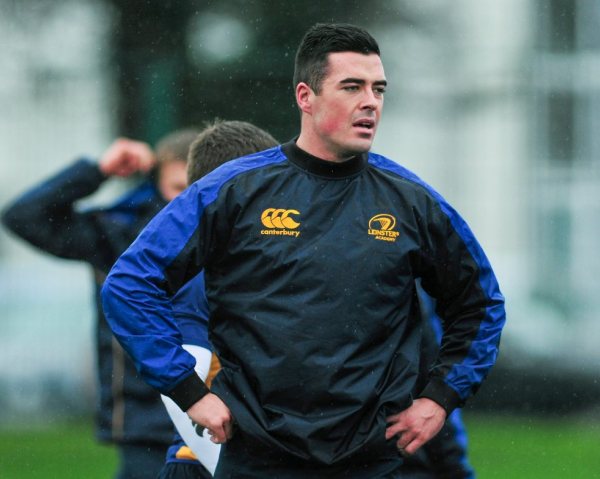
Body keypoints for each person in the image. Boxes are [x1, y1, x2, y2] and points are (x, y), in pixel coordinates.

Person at [101, 23, 506, 478]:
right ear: (305, 97)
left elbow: (480, 303)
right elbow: (130, 285)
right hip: (256, 460)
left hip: (371, 464)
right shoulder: (233, 191)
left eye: (378, 89)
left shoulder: (411, 202)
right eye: (351, 87)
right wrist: (189, 392)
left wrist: (440, 398)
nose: (370, 101)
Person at [1, 129, 198, 479]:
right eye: (177, 188)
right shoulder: (118, 234)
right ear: (155, 184)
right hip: (147, 423)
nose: (186, 202)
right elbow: (24, 217)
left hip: (223, 419)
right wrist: (98, 171)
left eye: (197, 188)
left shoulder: (237, 233)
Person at [156, 120, 279, 479]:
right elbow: (183, 379)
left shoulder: (272, 266)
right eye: (274, 184)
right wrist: (223, 467)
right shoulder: (203, 279)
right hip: (203, 465)